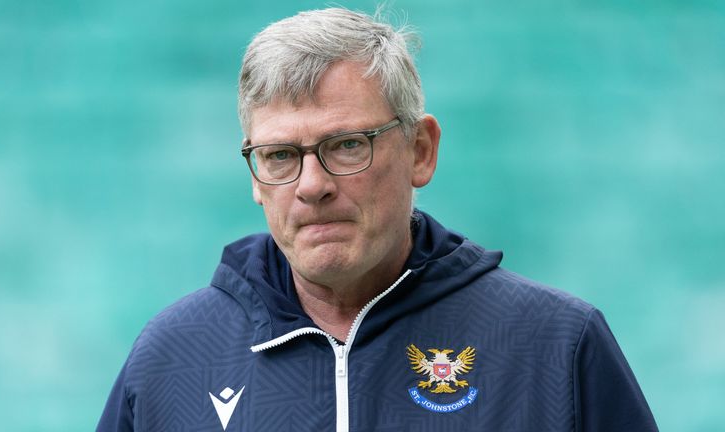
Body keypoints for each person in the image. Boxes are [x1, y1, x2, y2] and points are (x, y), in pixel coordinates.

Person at [97, 8, 658, 432]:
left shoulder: (556, 346)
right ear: (253, 174)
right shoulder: (172, 359)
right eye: (280, 157)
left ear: (420, 151)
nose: (312, 185)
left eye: (346, 145)